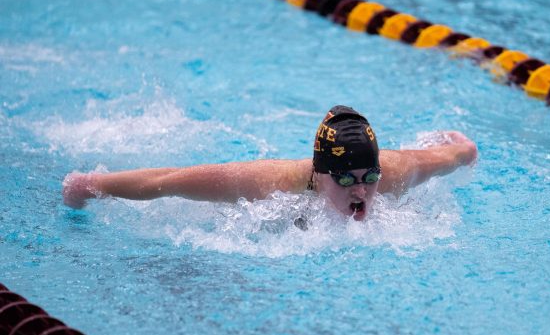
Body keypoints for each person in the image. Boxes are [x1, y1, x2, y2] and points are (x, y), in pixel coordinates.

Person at [62, 105, 477, 221]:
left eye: (369, 175)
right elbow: (167, 181)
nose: (361, 190)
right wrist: (92, 185)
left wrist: (462, 150)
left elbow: (453, 155)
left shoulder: (395, 174)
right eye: (347, 178)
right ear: (319, 172)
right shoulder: (268, 184)